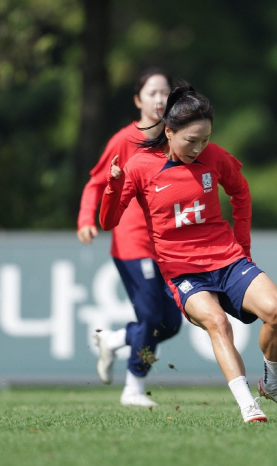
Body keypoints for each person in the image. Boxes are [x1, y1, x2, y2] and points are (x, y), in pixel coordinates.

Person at [99, 83, 277, 423]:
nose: (199, 148)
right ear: (169, 132)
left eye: (205, 139)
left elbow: (241, 192)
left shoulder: (215, 157)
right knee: (216, 322)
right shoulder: (139, 166)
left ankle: (272, 384)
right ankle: (247, 405)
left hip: (227, 258)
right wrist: (113, 186)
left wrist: (243, 247)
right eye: (190, 140)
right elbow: (108, 221)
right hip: (181, 271)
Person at [77, 68, 182, 407]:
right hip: (132, 241)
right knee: (152, 318)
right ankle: (133, 389)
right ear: (138, 99)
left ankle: (115, 339)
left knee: (172, 322)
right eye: (152, 92)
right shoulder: (125, 140)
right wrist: (86, 219)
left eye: (165, 92)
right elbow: (95, 181)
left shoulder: (176, 140)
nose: (160, 99)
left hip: (164, 245)